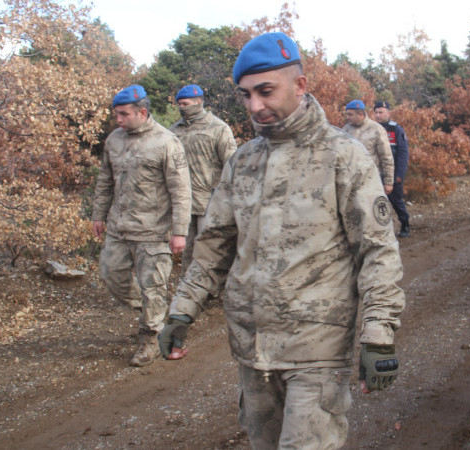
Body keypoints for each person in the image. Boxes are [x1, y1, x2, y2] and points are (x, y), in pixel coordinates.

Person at [160, 32, 405, 449]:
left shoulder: (343, 156)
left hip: (318, 346)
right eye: (246, 95)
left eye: (266, 91)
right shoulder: (244, 161)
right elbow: (215, 244)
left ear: (300, 85)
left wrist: (379, 332)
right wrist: (182, 309)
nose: (255, 106)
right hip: (252, 347)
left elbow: (377, 250)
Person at [91, 84, 192, 367]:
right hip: (119, 228)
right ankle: (152, 312)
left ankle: (150, 338)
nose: (118, 120)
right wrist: (98, 215)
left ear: (142, 112)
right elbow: (104, 181)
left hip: (153, 232)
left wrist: (180, 231)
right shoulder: (114, 140)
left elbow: (181, 191)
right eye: (116, 115)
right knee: (111, 274)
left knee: (153, 286)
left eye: (123, 114)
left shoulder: (166, 142)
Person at [168, 84, 237, 273]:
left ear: (199, 102)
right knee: (188, 254)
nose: (182, 108)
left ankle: (212, 294)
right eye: (179, 104)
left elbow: (233, 166)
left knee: (210, 253)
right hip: (184, 204)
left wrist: (230, 201)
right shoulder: (174, 131)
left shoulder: (218, 128)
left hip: (211, 203)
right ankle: (189, 294)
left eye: (186, 104)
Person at [341, 100, 395, 196]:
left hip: (370, 182)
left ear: (360, 114)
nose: (347, 117)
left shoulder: (377, 130)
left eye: (350, 115)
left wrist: (388, 182)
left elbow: (386, 158)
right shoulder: (345, 129)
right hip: (349, 182)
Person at [374, 101, 411, 238]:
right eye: (376, 112)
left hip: (393, 173)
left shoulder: (396, 129)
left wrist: (399, 175)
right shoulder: (372, 129)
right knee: (378, 204)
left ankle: (405, 224)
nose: (378, 115)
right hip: (377, 173)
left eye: (381, 112)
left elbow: (403, 154)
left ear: (388, 113)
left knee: (396, 201)